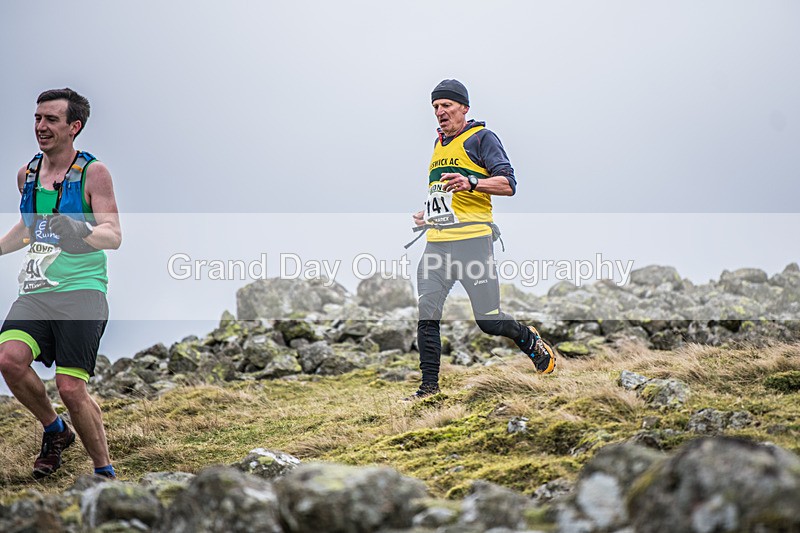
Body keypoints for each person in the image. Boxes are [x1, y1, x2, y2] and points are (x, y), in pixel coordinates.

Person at [406, 79, 555, 400]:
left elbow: (508, 184)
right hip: (437, 244)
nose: (440, 112)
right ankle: (428, 390)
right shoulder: (438, 145)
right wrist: (427, 214)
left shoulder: (481, 138)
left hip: (473, 243)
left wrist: (472, 182)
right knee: (427, 314)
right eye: (435, 107)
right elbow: (446, 196)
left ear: (464, 107)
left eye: (446, 105)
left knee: (488, 321)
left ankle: (528, 338)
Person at [0, 88, 122, 479]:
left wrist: (79, 231)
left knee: (70, 389)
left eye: (51, 119)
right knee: (8, 359)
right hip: (37, 292)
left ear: (74, 127)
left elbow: (113, 234)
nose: (41, 126)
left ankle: (104, 473)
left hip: (82, 292)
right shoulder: (27, 175)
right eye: (38, 118)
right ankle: (55, 431)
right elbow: (28, 230)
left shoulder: (93, 173)